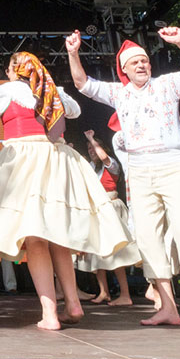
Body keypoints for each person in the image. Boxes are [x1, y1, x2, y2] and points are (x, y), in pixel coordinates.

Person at [0, 52, 129, 330]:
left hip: (25, 160)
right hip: (57, 159)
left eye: (9, 68)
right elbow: (75, 111)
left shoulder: (7, 91)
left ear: (13, 71)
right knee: (57, 235)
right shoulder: (53, 90)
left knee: (36, 238)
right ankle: (72, 303)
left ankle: (50, 313)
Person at [66, 27, 180, 327]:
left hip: (172, 163)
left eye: (145, 60)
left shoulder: (167, 85)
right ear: (124, 69)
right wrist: (73, 53)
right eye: (135, 62)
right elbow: (82, 83)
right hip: (140, 169)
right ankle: (168, 306)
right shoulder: (118, 93)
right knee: (147, 238)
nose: (142, 65)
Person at [77, 129, 140, 306]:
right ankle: (104, 292)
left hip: (112, 209)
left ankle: (125, 294)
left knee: (116, 252)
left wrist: (91, 138)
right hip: (98, 211)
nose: (91, 150)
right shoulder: (91, 167)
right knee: (98, 252)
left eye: (93, 147)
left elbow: (103, 157)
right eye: (89, 148)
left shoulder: (111, 164)